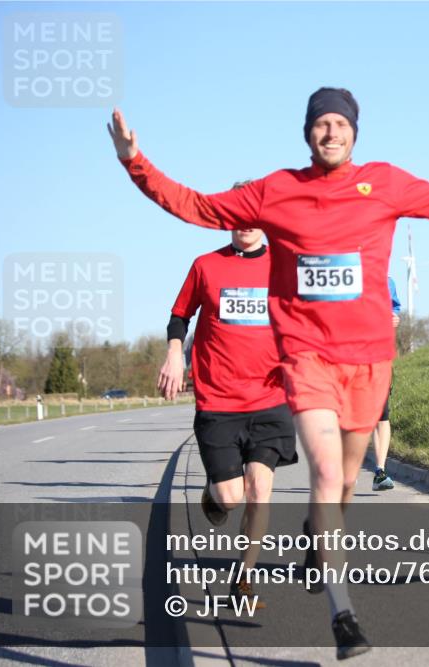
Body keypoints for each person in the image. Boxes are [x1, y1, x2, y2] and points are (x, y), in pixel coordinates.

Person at [110, 88, 429, 659]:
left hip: (368, 362)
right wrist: (133, 160)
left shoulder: (384, 183)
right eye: (321, 124)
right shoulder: (277, 191)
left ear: (355, 133)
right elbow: (194, 205)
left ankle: (319, 540)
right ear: (307, 133)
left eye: (341, 123)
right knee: (321, 475)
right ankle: (343, 615)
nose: (331, 132)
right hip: (306, 358)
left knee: (342, 488)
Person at [157, 195, 297, 609]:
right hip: (218, 401)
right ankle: (214, 494)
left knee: (259, 489)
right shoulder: (206, 265)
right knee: (231, 496)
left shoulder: (284, 268)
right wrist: (172, 354)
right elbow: (180, 315)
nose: (246, 224)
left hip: (271, 399)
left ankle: (244, 581)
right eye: (238, 217)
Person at [371, 277, 402, 491]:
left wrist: (395, 318)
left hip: (380, 357)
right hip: (350, 356)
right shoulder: (348, 274)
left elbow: (395, 309)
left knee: (381, 416)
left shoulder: (388, 281)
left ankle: (380, 472)